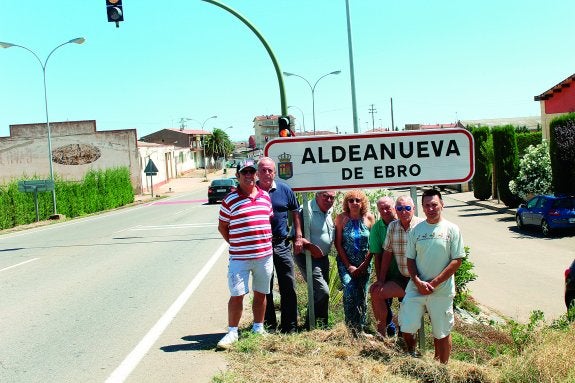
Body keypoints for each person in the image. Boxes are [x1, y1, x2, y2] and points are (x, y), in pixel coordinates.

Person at [398, 189, 464, 363]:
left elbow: (457, 260)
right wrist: (418, 282)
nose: (431, 208)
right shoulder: (416, 231)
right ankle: (413, 356)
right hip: (416, 288)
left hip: (441, 290)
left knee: (441, 332)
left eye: (434, 204)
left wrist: (434, 283)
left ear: (442, 204)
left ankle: (441, 369)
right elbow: (410, 260)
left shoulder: (452, 229)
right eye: (426, 205)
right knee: (407, 326)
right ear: (422, 207)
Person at [216, 159, 274, 349]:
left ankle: (258, 327)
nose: (249, 175)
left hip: (264, 257)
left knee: (261, 293)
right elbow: (222, 227)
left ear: (255, 174)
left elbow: (267, 220)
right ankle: (233, 331)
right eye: (244, 172)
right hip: (239, 258)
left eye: (251, 172)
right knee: (237, 294)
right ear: (238, 176)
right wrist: (236, 243)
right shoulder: (229, 200)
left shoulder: (265, 196)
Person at [257, 157, 303, 334]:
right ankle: (268, 325)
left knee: (288, 286)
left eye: (270, 170)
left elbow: (295, 211)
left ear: (275, 172)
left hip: (282, 245)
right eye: (263, 170)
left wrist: (298, 235)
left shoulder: (284, 189)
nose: (267, 173)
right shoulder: (253, 191)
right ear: (258, 172)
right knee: (264, 287)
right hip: (261, 246)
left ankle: (289, 326)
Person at [371, 195, 425, 338]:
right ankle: (382, 334)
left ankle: (410, 342)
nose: (403, 211)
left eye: (407, 208)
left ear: (413, 209)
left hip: (420, 279)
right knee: (376, 291)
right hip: (401, 277)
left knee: (410, 317)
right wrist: (381, 280)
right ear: (396, 210)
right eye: (400, 208)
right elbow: (386, 254)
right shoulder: (392, 227)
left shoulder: (422, 226)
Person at [334, 190, 376, 335]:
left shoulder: (369, 218)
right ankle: (349, 328)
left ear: (363, 202)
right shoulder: (341, 218)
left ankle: (361, 328)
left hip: (364, 264)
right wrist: (349, 266)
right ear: (347, 203)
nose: (354, 203)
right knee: (349, 290)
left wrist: (364, 264)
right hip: (346, 264)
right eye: (351, 200)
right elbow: (338, 243)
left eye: (358, 200)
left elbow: (373, 244)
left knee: (362, 293)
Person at [294, 190, 337, 328]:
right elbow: (296, 237)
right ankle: (310, 325)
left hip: (323, 259)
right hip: (308, 257)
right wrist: (311, 247)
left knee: (320, 294)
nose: (329, 200)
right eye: (325, 196)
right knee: (322, 291)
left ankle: (321, 325)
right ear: (317, 196)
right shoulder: (305, 209)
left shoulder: (329, 211)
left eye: (332, 197)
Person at [368, 196, 398, 338]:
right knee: (382, 301)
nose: (385, 211)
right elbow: (377, 256)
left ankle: (404, 335)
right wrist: (381, 279)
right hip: (387, 274)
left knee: (407, 306)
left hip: (405, 274)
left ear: (394, 207)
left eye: (388, 207)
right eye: (381, 209)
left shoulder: (403, 222)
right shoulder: (376, 228)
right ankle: (387, 330)